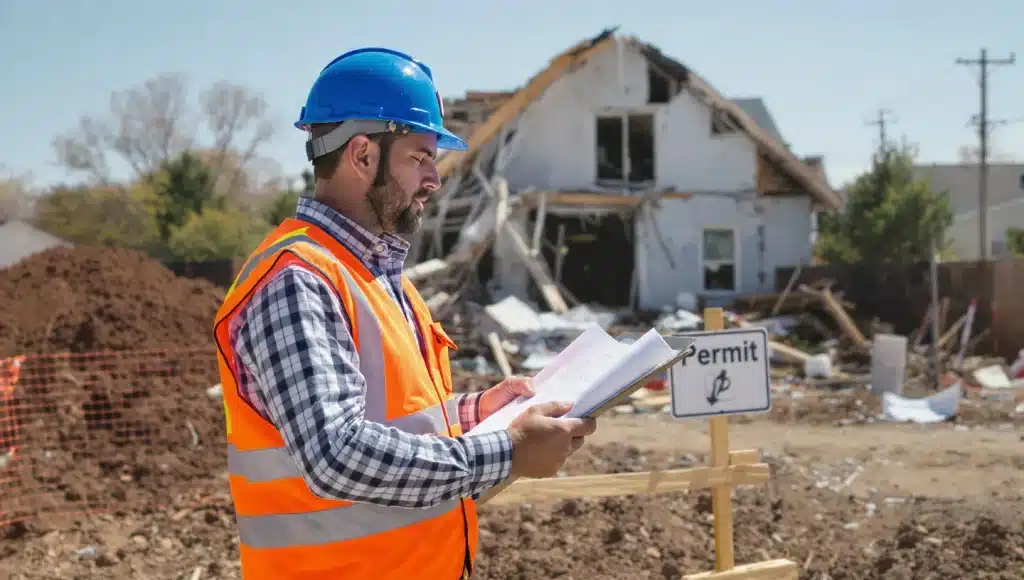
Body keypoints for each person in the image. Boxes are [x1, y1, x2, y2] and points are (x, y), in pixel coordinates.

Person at [212, 47, 598, 580]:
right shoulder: (296, 281)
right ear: (363, 155)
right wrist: (506, 451)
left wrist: (477, 413)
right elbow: (337, 453)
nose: (435, 179)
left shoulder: (376, 275)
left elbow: (397, 417)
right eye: (420, 157)